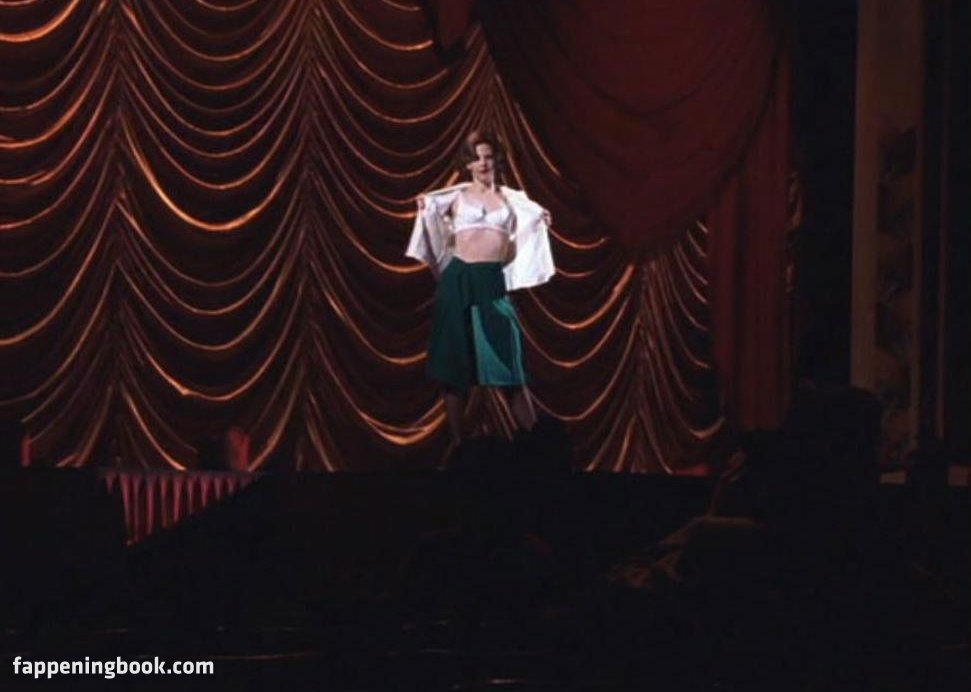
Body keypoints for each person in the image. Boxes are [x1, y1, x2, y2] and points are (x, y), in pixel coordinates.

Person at [406, 131, 555, 446]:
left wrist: (538, 217)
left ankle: (536, 447)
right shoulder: (456, 197)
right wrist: (425, 206)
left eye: (488, 157)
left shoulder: (510, 199)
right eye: (477, 158)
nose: (483, 163)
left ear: (496, 160)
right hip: (458, 280)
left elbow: (527, 224)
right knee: (454, 371)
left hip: (491, 282)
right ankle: (459, 446)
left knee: (510, 370)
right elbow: (432, 212)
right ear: (468, 164)